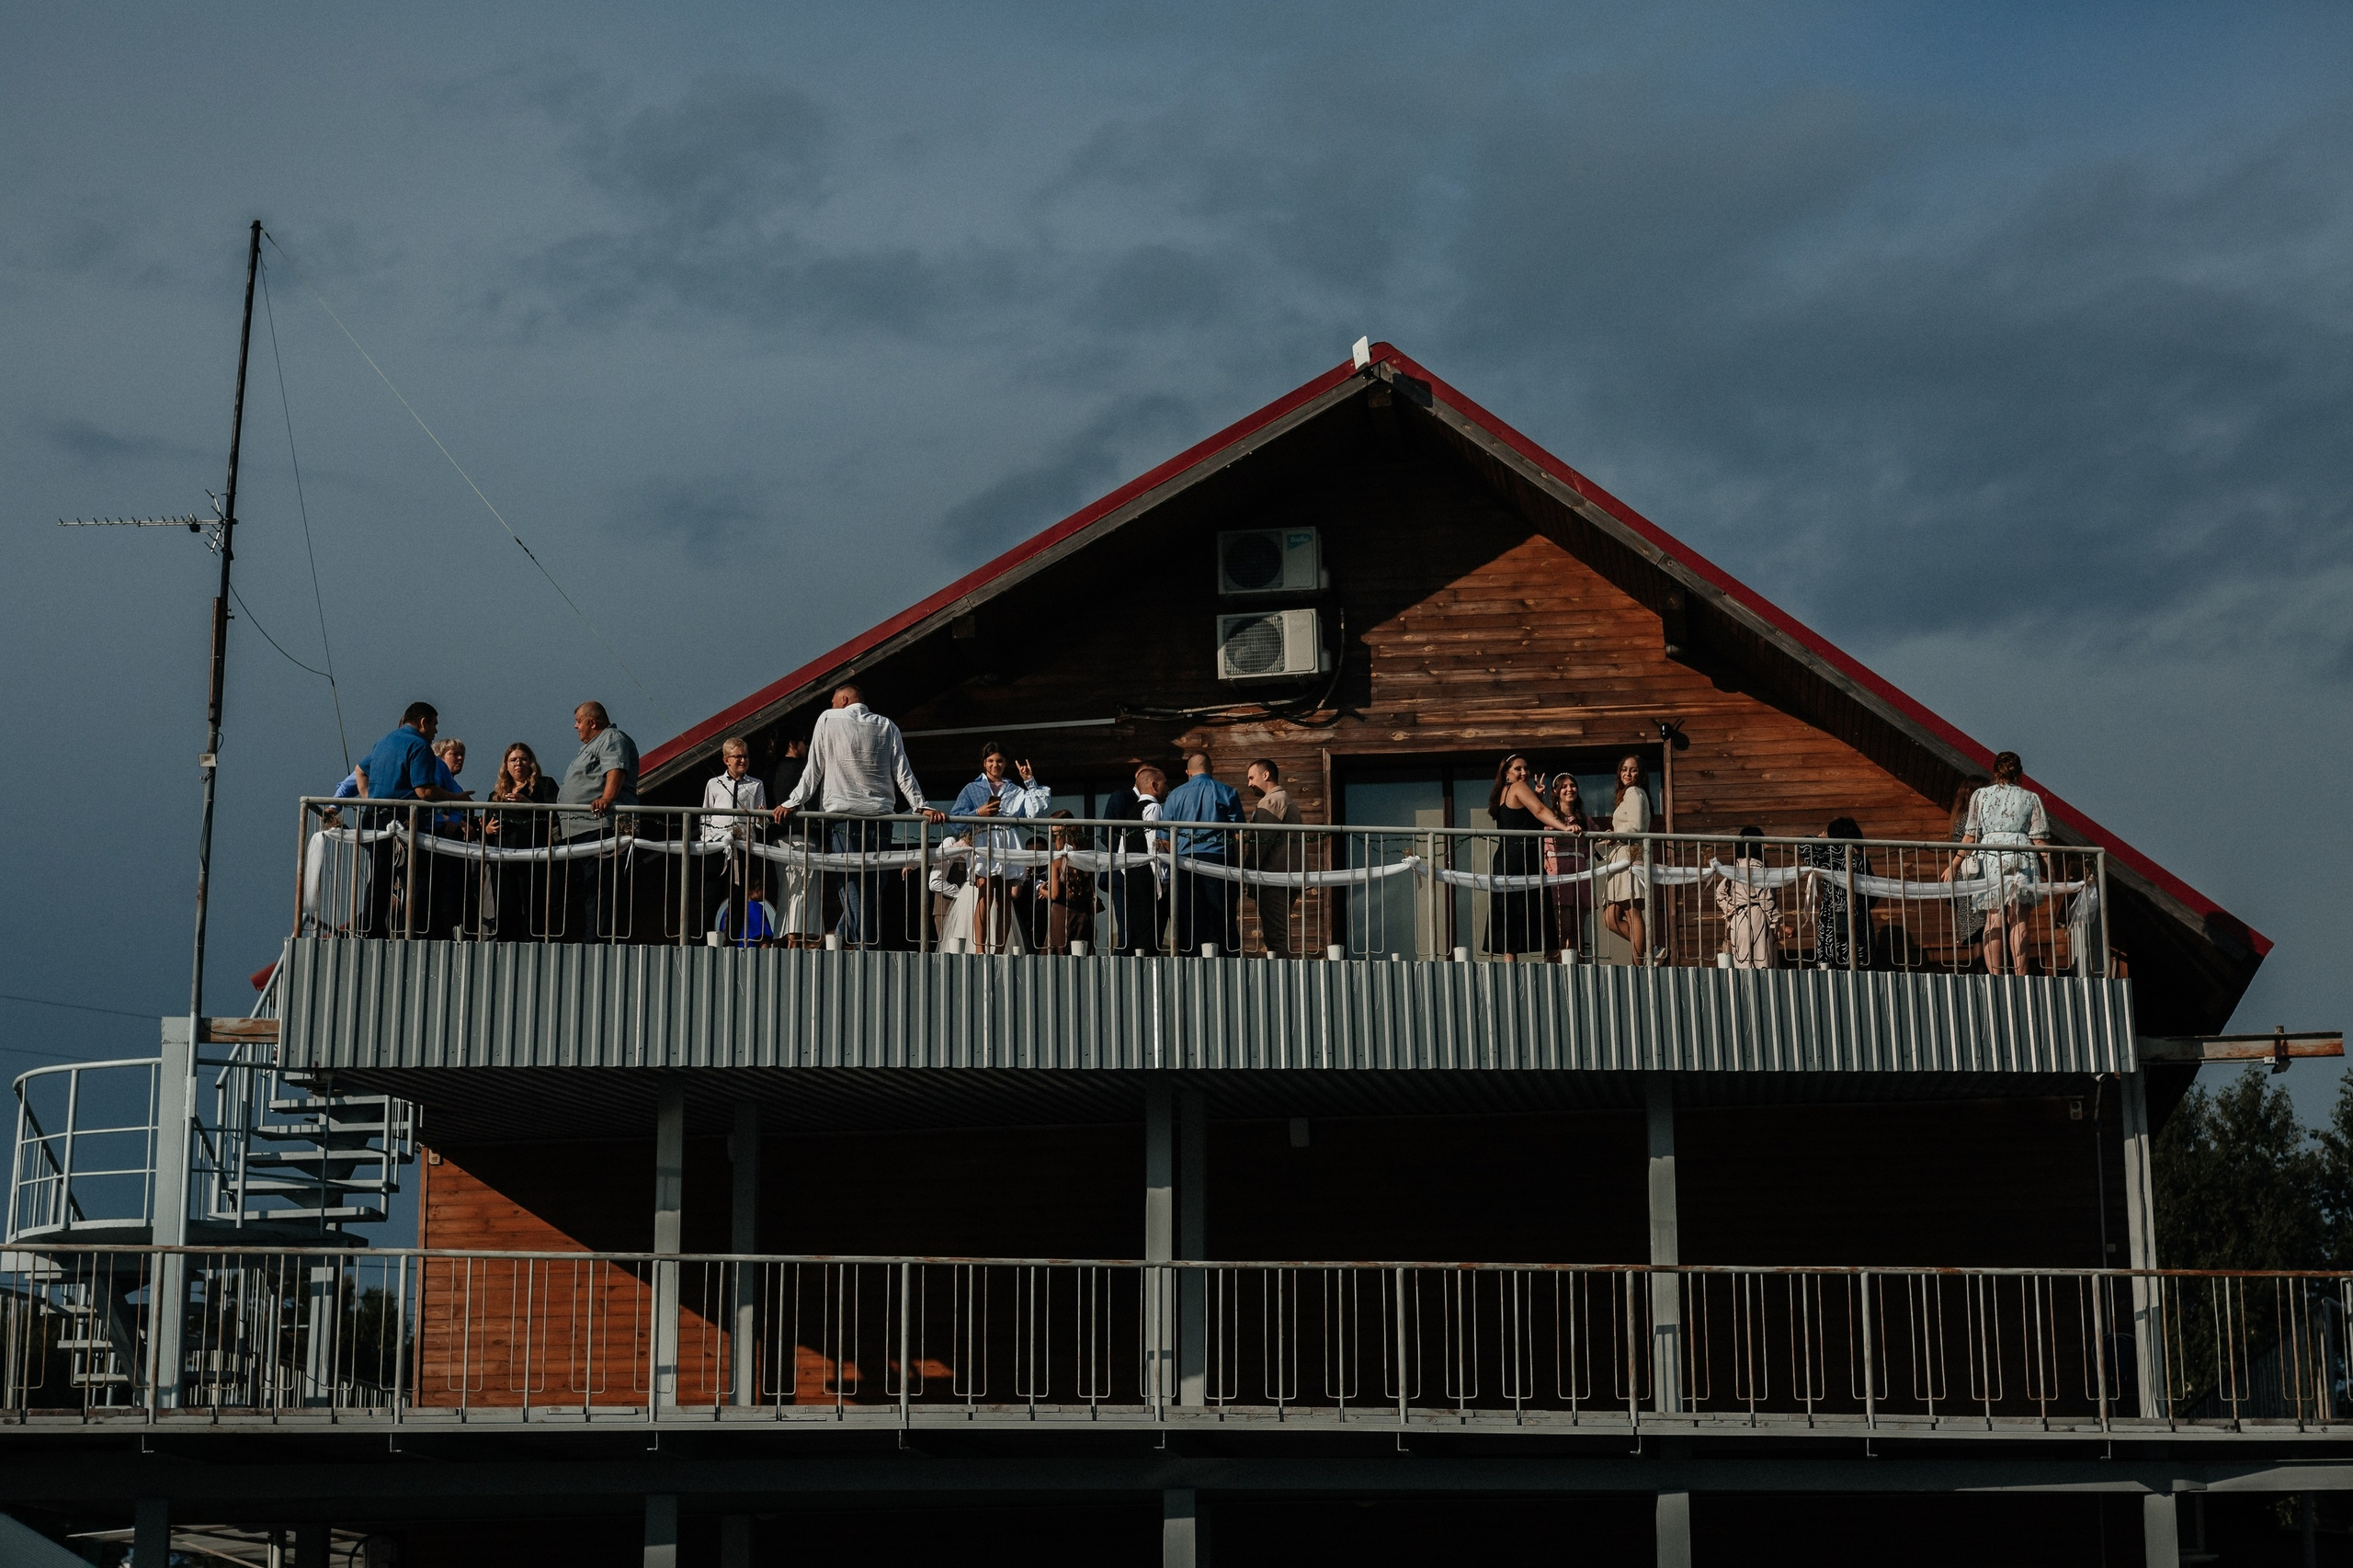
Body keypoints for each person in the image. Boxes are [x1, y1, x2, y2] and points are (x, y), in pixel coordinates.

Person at [771, 684, 943, 949]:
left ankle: (853, 938)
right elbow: (902, 771)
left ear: (844, 699)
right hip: (881, 817)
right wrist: (921, 806)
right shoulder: (887, 725)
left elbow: (813, 768)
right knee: (876, 880)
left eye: (832, 701)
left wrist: (793, 801)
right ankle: (849, 936)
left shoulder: (828, 719)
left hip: (843, 816)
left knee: (851, 878)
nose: (830, 706)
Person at [351, 702, 464, 936]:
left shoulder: (383, 741)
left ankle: (372, 930)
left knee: (381, 876)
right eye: (434, 725)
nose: (435, 732)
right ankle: (419, 932)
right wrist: (456, 797)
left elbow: (360, 771)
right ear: (423, 722)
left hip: (375, 820)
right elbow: (425, 791)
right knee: (420, 879)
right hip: (406, 823)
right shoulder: (419, 745)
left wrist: (371, 799)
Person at [1952, 751, 2051, 975]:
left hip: (1991, 857)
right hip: (2021, 856)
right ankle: (2021, 974)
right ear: (2020, 773)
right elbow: (2040, 840)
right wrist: (2049, 869)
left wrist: (1956, 863)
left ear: (1995, 772)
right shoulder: (2031, 798)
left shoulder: (1980, 796)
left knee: (1993, 918)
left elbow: (1970, 836)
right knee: (2019, 919)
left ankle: (1996, 976)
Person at [949, 742, 1051, 953]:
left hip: (1007, 839)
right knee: (984, 894)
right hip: (983, 840)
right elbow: (956, 819)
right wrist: (979, 813)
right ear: (984, 763)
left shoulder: (1015, 789)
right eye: (991, 761)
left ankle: (998, 949)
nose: (995, 765)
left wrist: (1029, 781)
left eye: (1000, 761)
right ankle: (980, 948)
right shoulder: (971, 788)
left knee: (1004, 899)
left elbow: (1035, 811)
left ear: (1005, 764)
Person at [557, 701, 640, 942]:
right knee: (589, 887)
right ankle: (589, 935)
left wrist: (606, 798)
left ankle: (598, 939)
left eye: (578, 721)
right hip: (583, 829)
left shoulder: (611, 738)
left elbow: (615, 769)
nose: (576, 726)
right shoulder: (592, 745)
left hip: (600, 828)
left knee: (601, 887)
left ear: (592, 722)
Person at [1485, 755, 1576, 960]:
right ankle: (1553, 973)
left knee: (1510, 919)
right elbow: (1539, 811)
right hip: (1522, 859)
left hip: (1507, 859)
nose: (1524, 773)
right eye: (1518, 769)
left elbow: (1525, 817)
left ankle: (1511, 975)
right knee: (1538, 916)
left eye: (1526, 768)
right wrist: (1565, 827)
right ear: (1506, 773)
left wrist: (1538, 796)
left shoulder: (1503, 792)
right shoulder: (1517, 787)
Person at [1163, 753, 1243, 955]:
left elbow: (1164, 838)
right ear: (1212, 768)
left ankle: (1190, 964)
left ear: (1188, 772)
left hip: (1184, 862)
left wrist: (1178, 859)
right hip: (1219, 861)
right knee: (1222, 917)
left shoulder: (1175, 795)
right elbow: (1239, 834)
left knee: (1189, 917)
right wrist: (1239, 866)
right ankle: (1228, 963)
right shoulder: (1227, 792)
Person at [485, 742, 558, 940]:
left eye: (523, 759)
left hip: (534, 857)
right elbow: (487, 823)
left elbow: (557, 815)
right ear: (506, 765)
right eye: (513, 760)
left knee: (534, 906)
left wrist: (531, 805)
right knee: (506, 908)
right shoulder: (496, 795)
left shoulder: (544, 785)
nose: (518, 763)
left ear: (531, 763)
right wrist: (487, 829)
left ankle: (537, 947)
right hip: (503, 861)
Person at [1241, 760, 1304, 958]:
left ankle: (1285, 980)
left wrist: (1247, 871)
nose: (1249, 783)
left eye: (1252, 777)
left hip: (1274, 879)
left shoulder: (1272, 801)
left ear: (1266, 775)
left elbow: (1261, 842)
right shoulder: (1284, 799)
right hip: (1283, 877)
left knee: (1277, 936)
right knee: (1280, 933)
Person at [1103, 765, 1168, 955]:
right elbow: (1153, 847)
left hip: (1132, 879)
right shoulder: (1153, 807)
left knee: (1135, 933)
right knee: (1150, 934)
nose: (1168, 788)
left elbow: (1123, 851)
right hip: (1149, 881)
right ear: (1154, 785)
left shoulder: (1132, 811)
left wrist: (1130, 874)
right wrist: (1161, 880)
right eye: (1165, 783)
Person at [1599, 753, 1654, 962]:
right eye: (1624, 769)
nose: (1628, 774)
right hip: (1621, 856)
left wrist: (1614, 836)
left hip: (1629, 855)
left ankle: (1639, 964)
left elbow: (1637, 827)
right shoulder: (1628, 794)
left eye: (1633, 769)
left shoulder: (1633, 792)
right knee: (1610, 918)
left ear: (1640, 773)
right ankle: (1649, 948)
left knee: (1632, 911)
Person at [1798, 817, 1871, 969]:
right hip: (1856, 911)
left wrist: (1820, 840)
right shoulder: (1859, 860)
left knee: (1835, 956)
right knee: (1855, 956)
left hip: (1835, 911)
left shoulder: (1836, 859)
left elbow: (1804, 845)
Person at [1938, 775, 1991, 970]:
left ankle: (1981, 972)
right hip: (1977, 876)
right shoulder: (1972, 820)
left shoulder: (1958, 818)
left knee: (1977, 932)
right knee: (1984, 930)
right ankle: (1985, 973)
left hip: (1964, 878)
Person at [1715, 825, 1783, 970]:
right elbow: (1765, 898)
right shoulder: (1756, 867)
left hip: (1738, 920)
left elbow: (1720, 892)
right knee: (1761, 962)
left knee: (1743, 965)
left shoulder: (1735, 867)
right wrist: (1778, 921)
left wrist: (1733, 908)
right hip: (1756, 919)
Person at [1543, 773, 1595, 956]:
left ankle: (1576, 970)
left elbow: (1599, 840)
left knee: (1577, 932)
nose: (1569, 789)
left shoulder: (1583, 819)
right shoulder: (1549, 817)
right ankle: (1557, 971)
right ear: (1556, 791)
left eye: (1572, 785)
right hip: (1558, 877)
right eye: (1564, 786)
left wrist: (1612, 836)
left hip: (1579, 878)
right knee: (1561, 930)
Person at [1040, 812, 1098, 955]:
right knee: (1081, 956)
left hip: (1061, 914)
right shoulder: (1086, 859)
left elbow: (1054, 894)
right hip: (1083, 915)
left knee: (1057, 958)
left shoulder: (1057, 860)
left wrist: (1042, 890)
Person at [713, 873, 782, 949]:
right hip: (751, 953)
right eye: (762, 888)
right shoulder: (755, 907)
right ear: (752, 889)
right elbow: (763, 939)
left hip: (731, 952)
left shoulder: (728, 911)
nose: (765, 892)